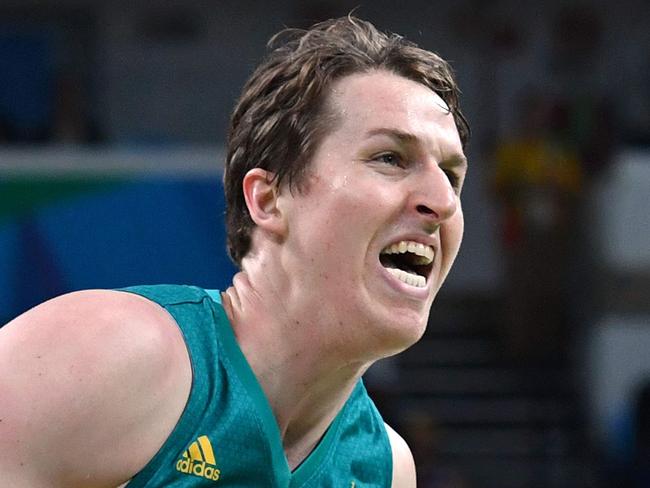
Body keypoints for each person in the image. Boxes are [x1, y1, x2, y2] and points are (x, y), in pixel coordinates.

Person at [0, 15, 469, 487]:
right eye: (389, 158)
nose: (444, 200)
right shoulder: (109, 354)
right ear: (268, 200)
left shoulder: (385, 468)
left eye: (452, 176)